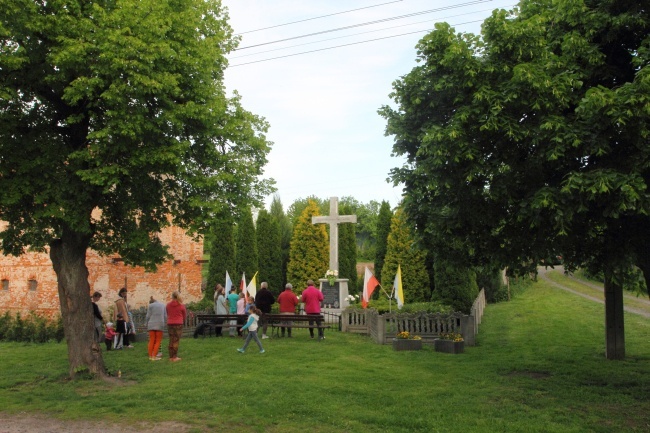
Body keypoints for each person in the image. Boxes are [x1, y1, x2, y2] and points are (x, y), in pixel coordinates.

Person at [166, 291, 186, 362]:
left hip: (170, 323)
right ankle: (174, 357)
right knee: (176, 340)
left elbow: (168, 313)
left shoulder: (168, 305)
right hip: (178, 324)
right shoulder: (181, 305)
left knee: (171, 339)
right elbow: (184, 316)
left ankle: (170, 356)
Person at [145, 296, 167, 361]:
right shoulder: (163, 305)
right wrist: (165, 322)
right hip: (160, 324)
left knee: (151, 340)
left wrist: (146, 323)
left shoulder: (150, 306)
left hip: (151, 324)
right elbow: (165, 316)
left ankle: (150, 356)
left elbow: (147, 316)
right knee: (158, 341)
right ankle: (154, 356)